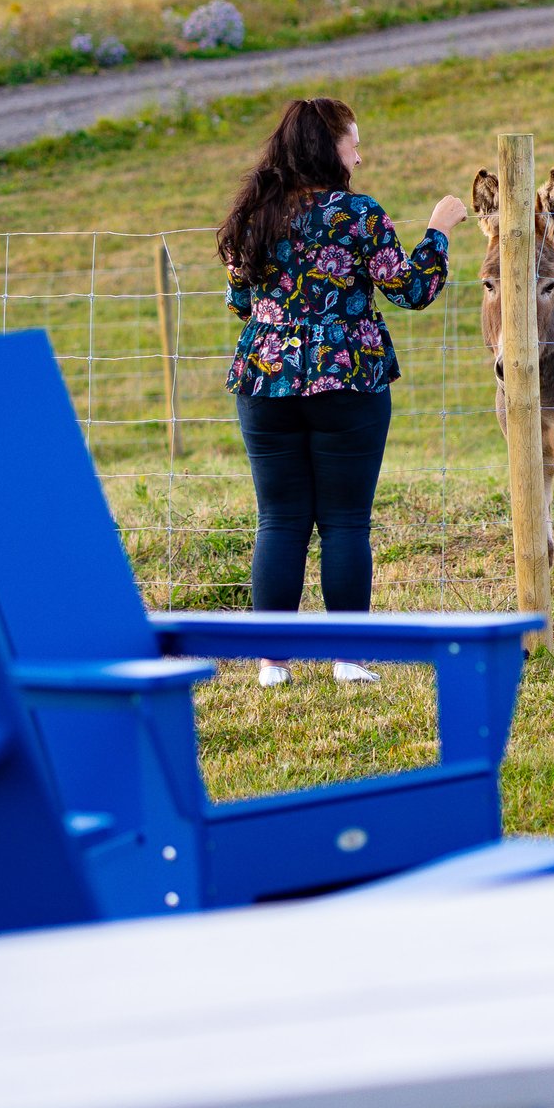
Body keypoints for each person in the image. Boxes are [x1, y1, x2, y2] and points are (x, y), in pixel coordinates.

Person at [216, 96, 469, 686]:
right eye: (353, 141)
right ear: (329, 147)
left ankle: (272, 664)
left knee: (279, 519)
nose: (360, 152)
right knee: (345, 521)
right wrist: (438, 231)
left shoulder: (251, 215)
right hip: (348, 377)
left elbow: (240, 303)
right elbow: (409, 291)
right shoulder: (358, 215)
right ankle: (348, 658)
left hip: (266, 377)